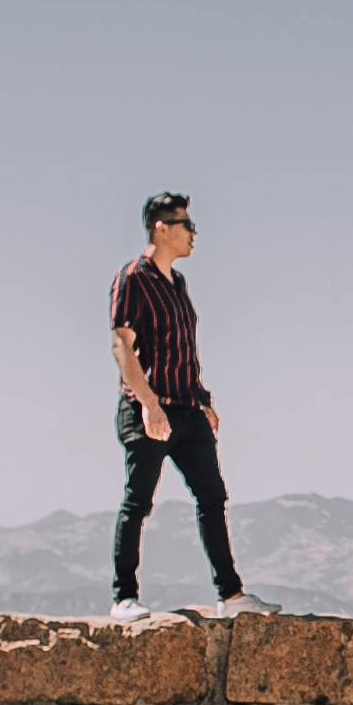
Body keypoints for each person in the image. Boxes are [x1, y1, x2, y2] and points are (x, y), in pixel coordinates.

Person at [106, 192, 264, 621]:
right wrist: (149, 405)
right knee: (138, 502)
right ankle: (124, 598)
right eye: (186, 225)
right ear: (162, 227)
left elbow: (183, 350)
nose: (193, 233)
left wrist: (203, 400)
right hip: (148, 411)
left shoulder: (178, 284)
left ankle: (231, 597)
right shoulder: (132, 278)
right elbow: (123, 346)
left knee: (213, 497)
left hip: (188, 410)